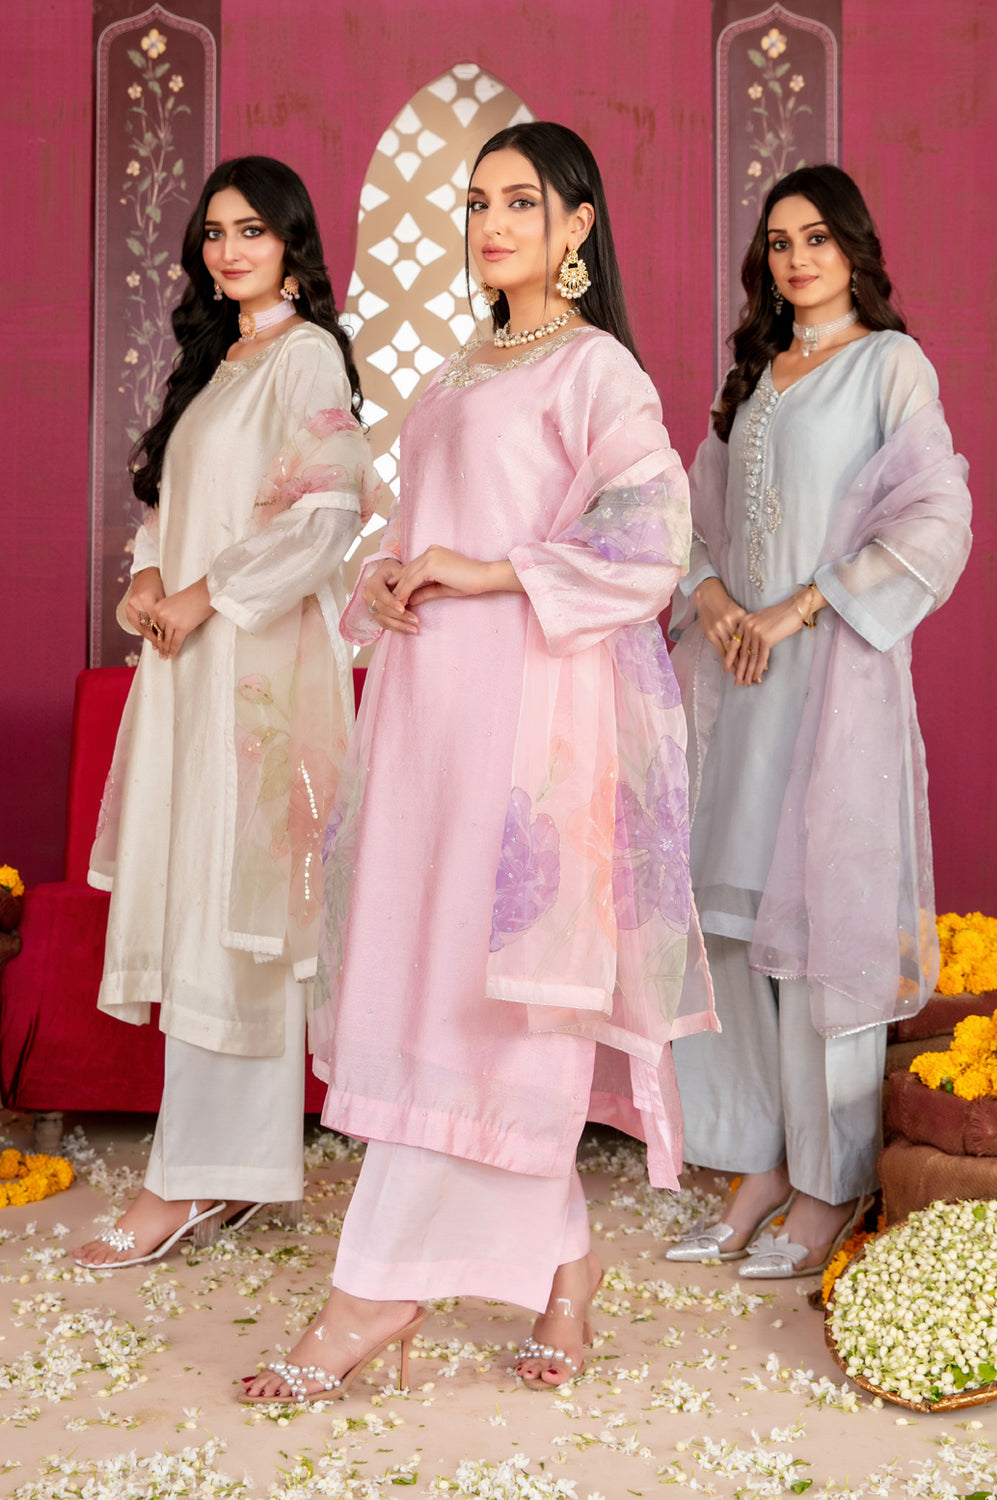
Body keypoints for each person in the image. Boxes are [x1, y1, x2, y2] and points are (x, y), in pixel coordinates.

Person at [241, 121, 715, 1403]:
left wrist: (485, 570)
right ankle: (566, 1273)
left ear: (577, 226)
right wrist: (390, 575)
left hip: (527, 717)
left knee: (495, 994)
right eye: (476, 204)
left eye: (520, 203)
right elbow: (417, 531)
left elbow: (652, 536)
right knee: (433, 974)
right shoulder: (456, 373)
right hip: (425, 713)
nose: (491, 225)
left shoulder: (593, 368)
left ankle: (373, 1290)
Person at [75, 157, 386, 1268]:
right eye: (214, 232)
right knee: (206, 901)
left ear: (293, 244)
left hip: (255, 671)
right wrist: (149, 580)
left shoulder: (306, 358)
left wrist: (206, 595)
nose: (229, 249)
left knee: (237, 911)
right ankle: (232, 1171)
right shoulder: (217, 366)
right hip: (187, 668)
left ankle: (189, 1177)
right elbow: (171, 510)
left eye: (252, 229)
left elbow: (326, 516)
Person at [666, 164, 971, 1278]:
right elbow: (691, 517)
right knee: (733, 931)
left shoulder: (889, 365)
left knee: (821, 933)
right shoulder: (752, 378)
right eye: (780, 241)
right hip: (736, 686)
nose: (797, 259)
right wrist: (713, 600)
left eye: (818, 239)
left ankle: (827, 1184)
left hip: (829, 683)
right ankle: (756, 1162)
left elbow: (935, 518)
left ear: (855, 250)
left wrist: (794, 610)